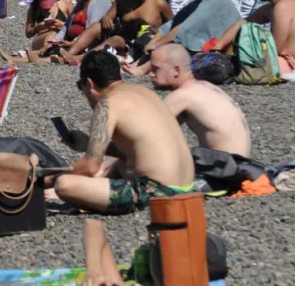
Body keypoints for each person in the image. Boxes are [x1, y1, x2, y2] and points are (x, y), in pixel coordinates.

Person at [53, 51, 195, 214]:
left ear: (90, 84)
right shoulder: (145, 92)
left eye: (81, 87)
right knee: (120, 164)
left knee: (64, 184)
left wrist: (48, 180)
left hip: (159, 193)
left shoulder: (106, 105)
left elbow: (90, 167)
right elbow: (134, 150)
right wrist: (86, 144)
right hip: (188, 187)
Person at [125, 0, 242, 75]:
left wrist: (157, 45)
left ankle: (143, 68)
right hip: (213, 44)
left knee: (177, 46)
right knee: (170, 40)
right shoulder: (202, 0)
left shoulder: (213, 2)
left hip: (228, 53)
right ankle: (137, 64)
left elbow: (183, 29)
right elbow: (174, 22)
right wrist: (154, 41)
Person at [148, 44, 251, 157]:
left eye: (155, 69)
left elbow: (149, 133)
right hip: (241, 164)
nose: (150, 74)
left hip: (224, 169)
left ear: (176, 70)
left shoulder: (181, 96)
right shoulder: (205, 86)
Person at [96, 0, 173, 60]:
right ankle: (84, 56)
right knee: (100, 30)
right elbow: (108, 16)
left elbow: (173, 26)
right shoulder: (122, 1)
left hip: (149, 44)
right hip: (126, 42)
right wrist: (105, 18)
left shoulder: (159, 4)